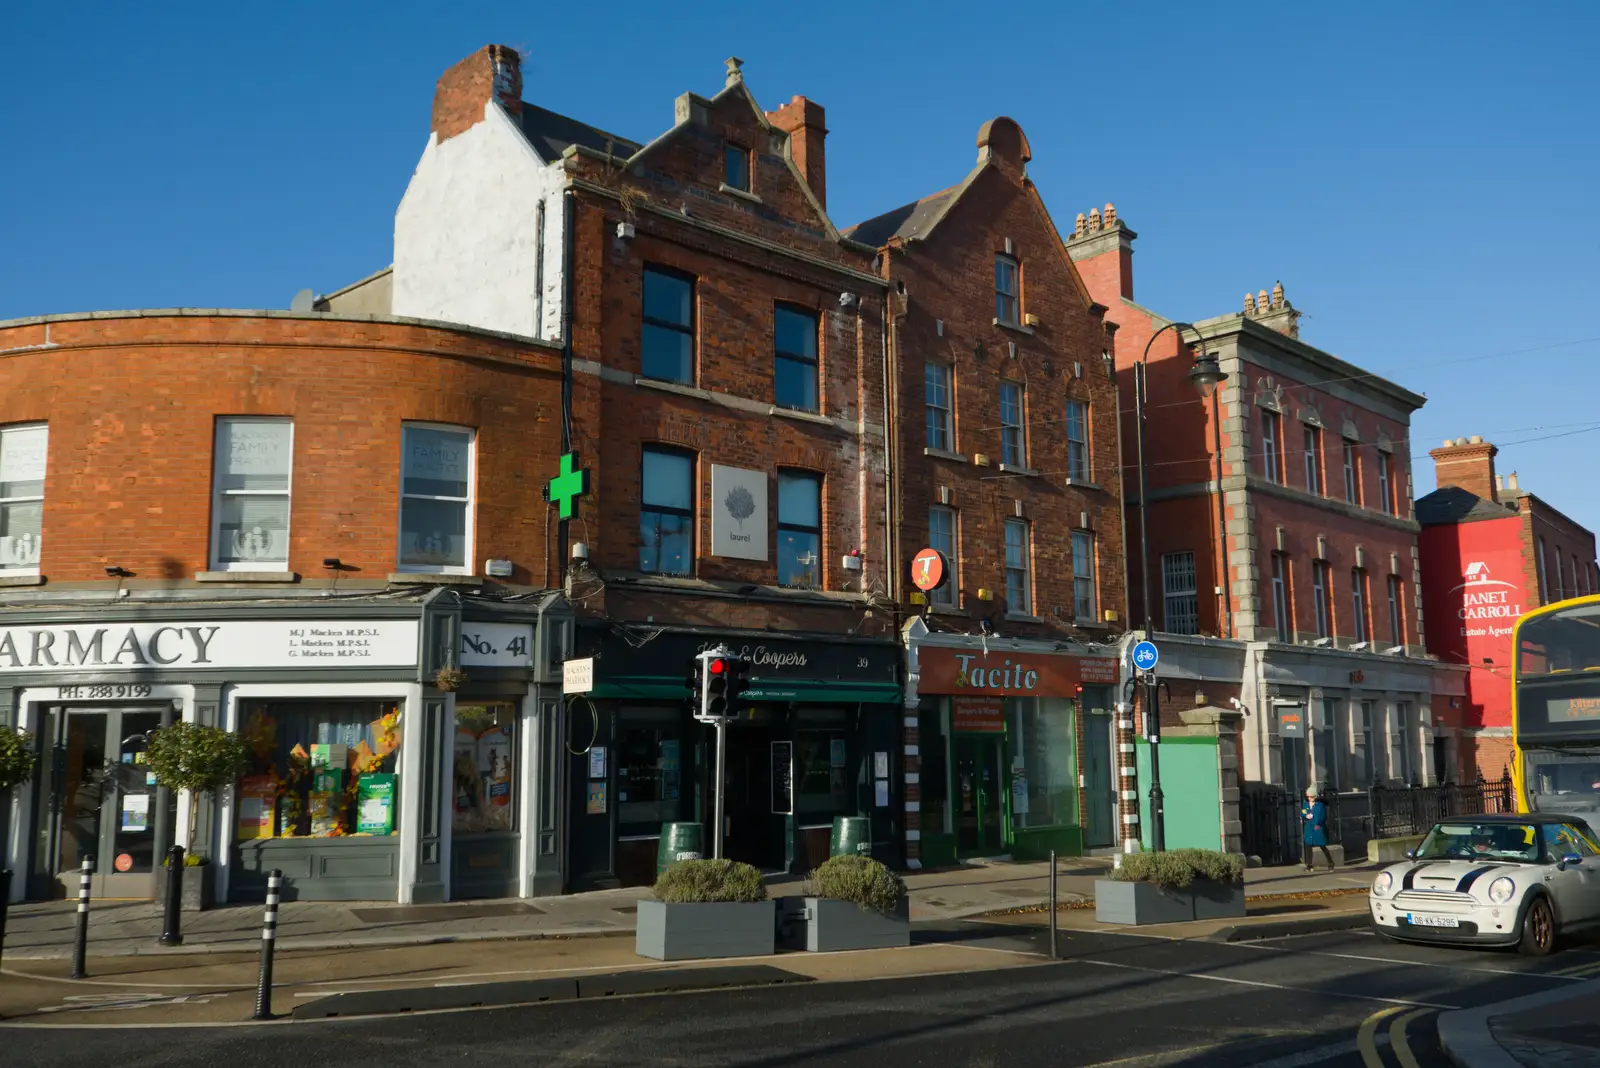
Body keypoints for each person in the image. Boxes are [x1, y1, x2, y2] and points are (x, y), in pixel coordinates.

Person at [1301, 785, 1336, 872]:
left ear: (1315, 796)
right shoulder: (1306, 803)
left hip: (1318, 827)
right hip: (1310, 827)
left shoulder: (1320, 805)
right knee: (1308, 845)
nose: (1310, 798)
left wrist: (1319, 824)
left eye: (1312, 797)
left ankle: (1330, 862)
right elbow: (1303, 811)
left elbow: (1323, 816)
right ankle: (1309, 864)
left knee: (1322, 846)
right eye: (1308, 796)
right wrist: (1306, 815)